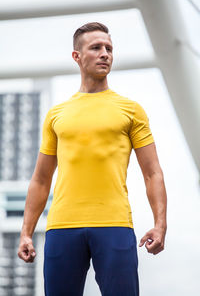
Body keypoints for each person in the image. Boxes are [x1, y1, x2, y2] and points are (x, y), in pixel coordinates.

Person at [18, 22, 167, 296]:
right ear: (77, 56)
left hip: (114, 224)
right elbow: (41, 179)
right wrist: (26, 231)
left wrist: (160, 224)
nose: (105, 54)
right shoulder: (56, 115)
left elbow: (152, 172)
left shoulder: (131, 110)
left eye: (109, 48)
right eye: (96, 48)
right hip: (62, 227)